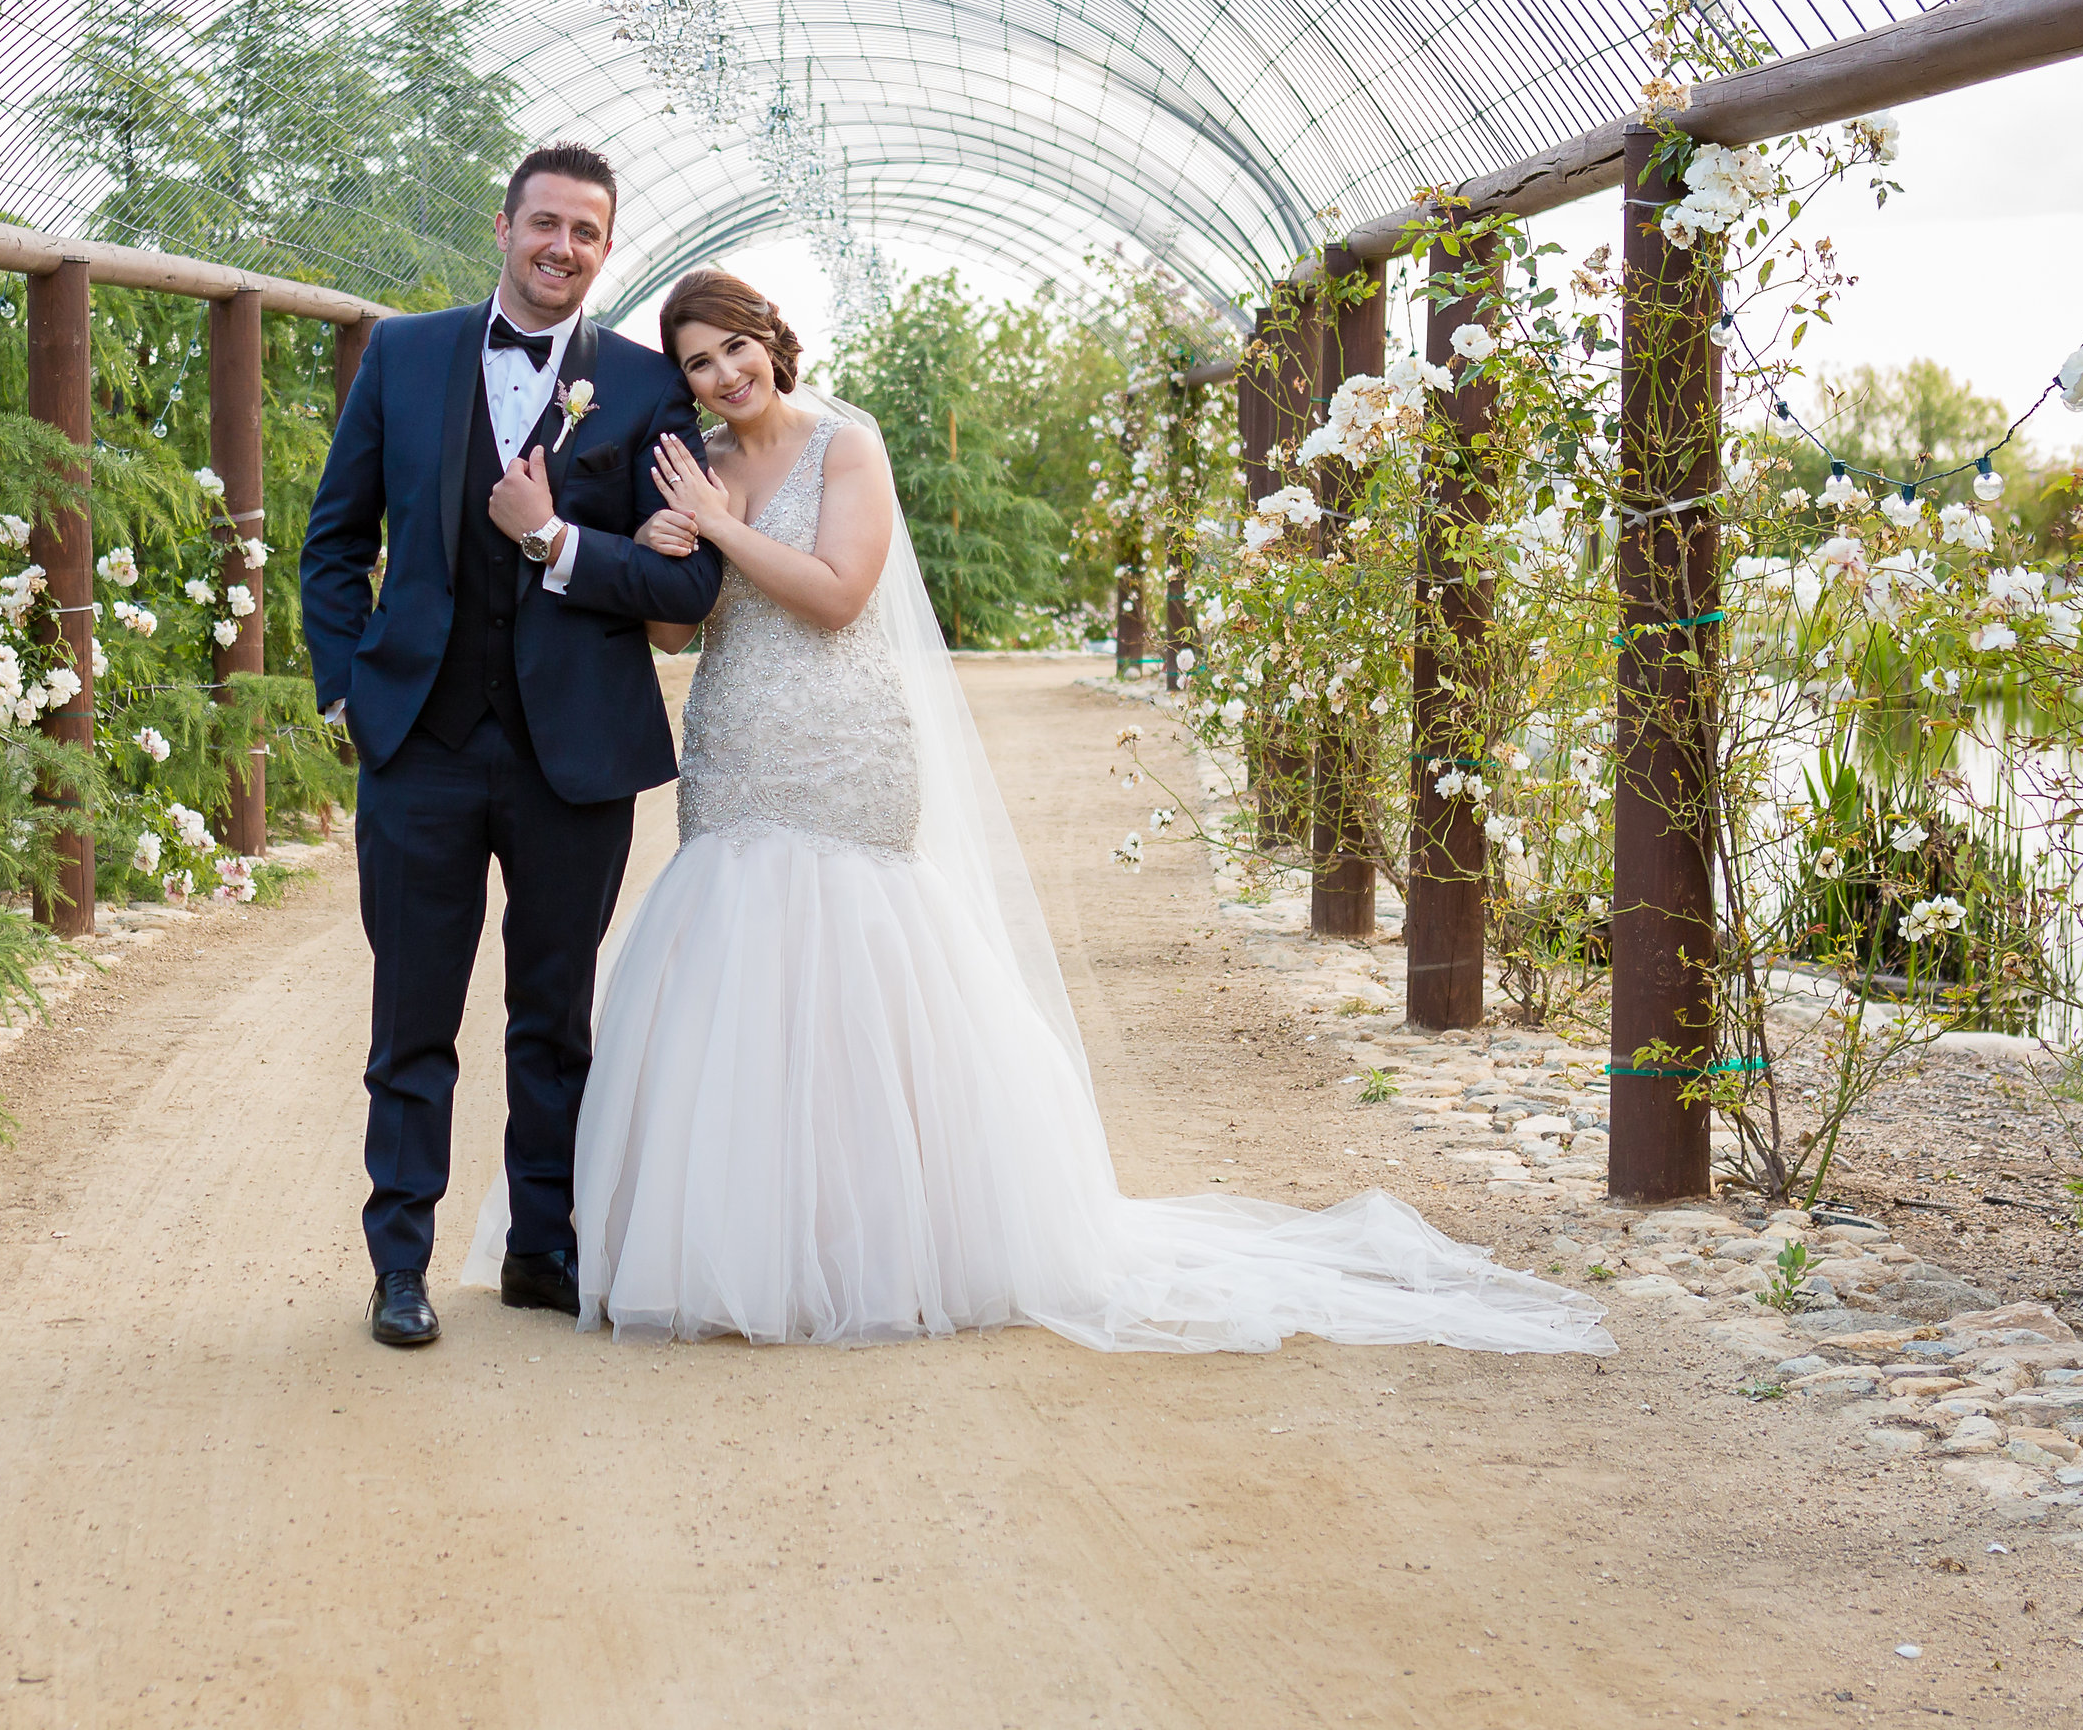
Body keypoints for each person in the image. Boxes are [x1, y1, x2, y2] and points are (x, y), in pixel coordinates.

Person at [462, 268, 1613, 1357]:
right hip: (736, 740)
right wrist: (668, 542)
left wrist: (715, 529)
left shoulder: (844, 446)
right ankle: (740, 1247)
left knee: (860, 978)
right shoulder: (695, 463)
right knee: (731, 980)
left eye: (737, 348)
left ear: (775, 342)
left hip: (844, 741)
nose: (723, 375)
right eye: (698, 361)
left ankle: (874, 1251)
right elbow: (676, 629)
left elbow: (837, 595)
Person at [297, 145, 724, 1349]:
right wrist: (349, 697)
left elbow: (687, 580)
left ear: (605, 247)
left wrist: (558, 545)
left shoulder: (644, 389)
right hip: (419, 746)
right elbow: (334, 545)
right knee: (412, 1014)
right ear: (504, 226)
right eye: (546, 224)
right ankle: (401, 1266)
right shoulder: (406, 352)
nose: (563, 249)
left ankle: (542, 1248)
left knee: (555, 1014)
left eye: (587, 233)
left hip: (571, 755)